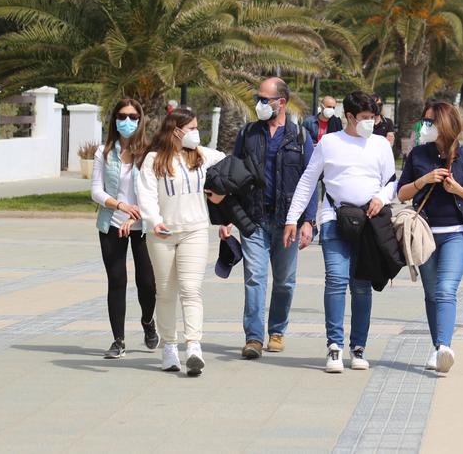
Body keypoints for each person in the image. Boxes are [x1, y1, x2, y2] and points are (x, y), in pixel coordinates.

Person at [285, 91, 396, 373]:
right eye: (365, 118)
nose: (371, 123)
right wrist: (292, 219)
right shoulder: (329, 143)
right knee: (335, 279)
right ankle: (334, 347)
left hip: (369, 223)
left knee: (361, 285)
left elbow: (391, 182)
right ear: (349, 117)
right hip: (335, 218)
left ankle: (358, 347)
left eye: (373, 118)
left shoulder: (381, 145)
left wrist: (381, 198)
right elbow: (308, 181)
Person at [228, 77, 316, 360]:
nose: (259, 104)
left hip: (287, 221)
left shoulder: (301, 137)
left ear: (282, 102)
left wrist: (308, 221)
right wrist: (228, 217)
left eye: (265, 99)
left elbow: (312, 181)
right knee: (255, 278)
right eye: (258, 98)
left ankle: (277, 331)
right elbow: (233, 175)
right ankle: (253, 337)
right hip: (253, 219)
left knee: (284, 281)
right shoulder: (247, 134)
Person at [397, 102, 463, 374]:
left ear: (444, 124)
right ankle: (439, 349)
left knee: (446, 289)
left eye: (429, 122)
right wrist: (424, 180)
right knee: (432, 294)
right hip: (424, 234)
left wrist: (456, 188)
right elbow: (402, 194)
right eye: (424, 121)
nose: (423, 126)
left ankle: (444, 346)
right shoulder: (418, 155)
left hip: (457, 233)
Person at [136, 107, 225, 376]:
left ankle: (194, 346)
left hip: (195, 230)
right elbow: (147, 194)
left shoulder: (200, 155)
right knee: (164, 292)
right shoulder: (154, 159)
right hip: (162, 234)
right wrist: (154, 221)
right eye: (192, 129)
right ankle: (169, 347)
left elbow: (227, 163)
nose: (196, 133)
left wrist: (219, 192)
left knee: (190, 288)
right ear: (175, 131)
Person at [90, 98, 157, 360]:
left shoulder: (150, 153)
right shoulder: (103, 152)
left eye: (132, 116)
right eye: (121, 116)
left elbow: (155, 190)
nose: (126, 121)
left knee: (147, 283)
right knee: (117, 281)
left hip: (143, 226)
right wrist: (120, 206)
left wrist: (137, 212)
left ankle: (148, 321)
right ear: (114, 120)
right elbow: (96, 190)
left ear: (140, 120)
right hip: (112, 223)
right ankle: (118, 340)